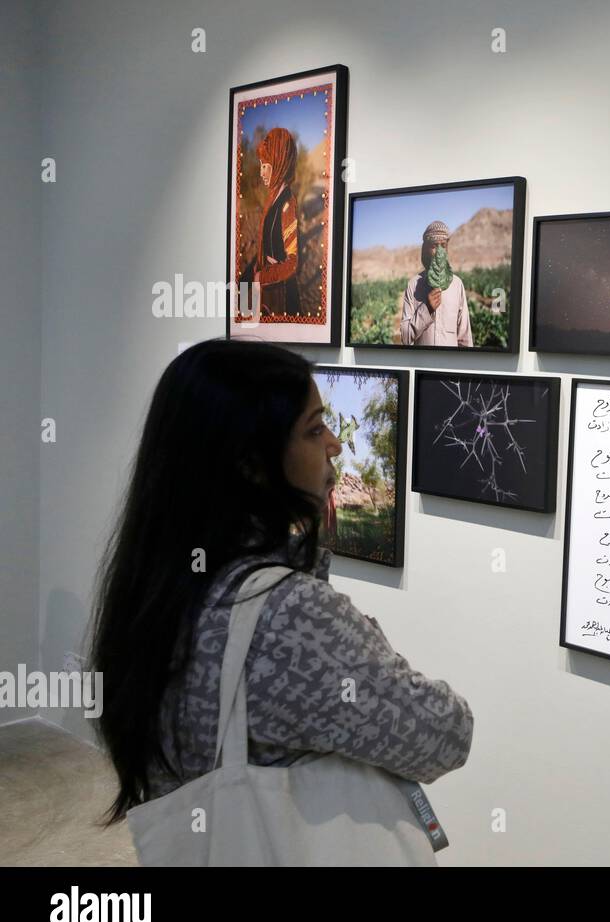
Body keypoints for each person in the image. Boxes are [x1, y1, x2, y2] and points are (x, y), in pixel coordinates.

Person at [87, 340, 473, 827]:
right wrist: (355, 632)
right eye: (314, 429)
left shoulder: (160, 585)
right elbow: (445, 735)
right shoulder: (288, 615)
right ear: (251, 464)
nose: (334, 443)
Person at [240, 127, 302, 316]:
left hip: (281, 299)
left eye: (265, 166)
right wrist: (244, 282)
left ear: (279, 163)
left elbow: (292, 263)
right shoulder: (272, 200)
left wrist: (261, 277)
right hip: (269, 295)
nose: (261, 173)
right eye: (260, 165)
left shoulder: (287, 203)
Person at [398, 220, 473, 346]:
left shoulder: (457, 285)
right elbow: (405, 338)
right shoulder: (413, 285)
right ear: (425, 249)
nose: (439, 252)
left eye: (443, 246)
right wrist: (426, 308)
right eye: (433, 246)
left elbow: (465, 338)